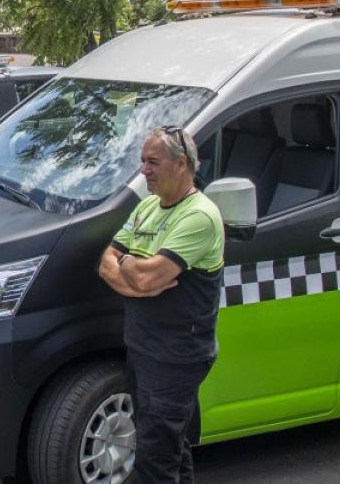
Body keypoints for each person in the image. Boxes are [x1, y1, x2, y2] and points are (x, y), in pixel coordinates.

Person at [97, 126, 225, 484]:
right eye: (142, 161)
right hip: (144, 348)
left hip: (174, 357)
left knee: (155, 459)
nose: (143, 170)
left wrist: (130, 272)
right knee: (172, 446)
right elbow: (106, 260)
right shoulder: (150, 206)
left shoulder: (198, 215)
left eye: (152, 162)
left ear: (181, 164)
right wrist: (131, 277)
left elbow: (148, 276)